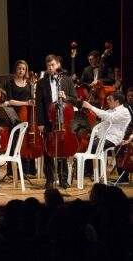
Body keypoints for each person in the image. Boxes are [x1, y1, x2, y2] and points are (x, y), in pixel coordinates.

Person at [36, 54, 77, 189]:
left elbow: (74, 99)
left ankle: (64, 179)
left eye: (53, 65)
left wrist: (66, 97)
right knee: (48, 150)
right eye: (48, 66)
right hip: (49, 121)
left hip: (63, 121)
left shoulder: (67, 80)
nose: (50, 68)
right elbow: (39, 104)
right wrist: (40, 123)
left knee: (63, 150)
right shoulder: (41, 82)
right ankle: (49, 179)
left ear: (58, 65)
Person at [82, 91, 131, 183]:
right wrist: (93, 134)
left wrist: (91, 107)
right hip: (103, 137)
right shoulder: (110, 110)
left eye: (110, 99)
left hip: (113, 138)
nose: (107, 101)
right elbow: (102, 124)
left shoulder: (124, 111)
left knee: (93, 146)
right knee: (88, 143)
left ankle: (94, 173)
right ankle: (93, 172)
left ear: (117, 102)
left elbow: (109, 117)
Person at [4, 60, 36, 175]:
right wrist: (26, 103)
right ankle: (12, 171)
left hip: (26, 115)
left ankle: (28, 169)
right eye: (19, 68)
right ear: (15, 69)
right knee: (14, 140)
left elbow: (32, 100)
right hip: (13, 114)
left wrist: (31, 102)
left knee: (26, 140)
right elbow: (10, 101)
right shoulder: (10, 83)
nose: (21, 71)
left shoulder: (30, 84)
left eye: (23, 69)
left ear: (26, 70)